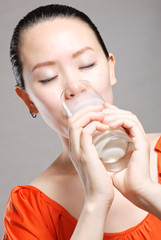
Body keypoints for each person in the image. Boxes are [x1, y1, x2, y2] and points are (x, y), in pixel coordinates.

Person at [3, 4, 161, 240]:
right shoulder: (29, 209)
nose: (75, 86)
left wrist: (146, 191)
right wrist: (95, 204)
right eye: (48, 78)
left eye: (87, 64)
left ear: (110, 69)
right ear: (28, 100)